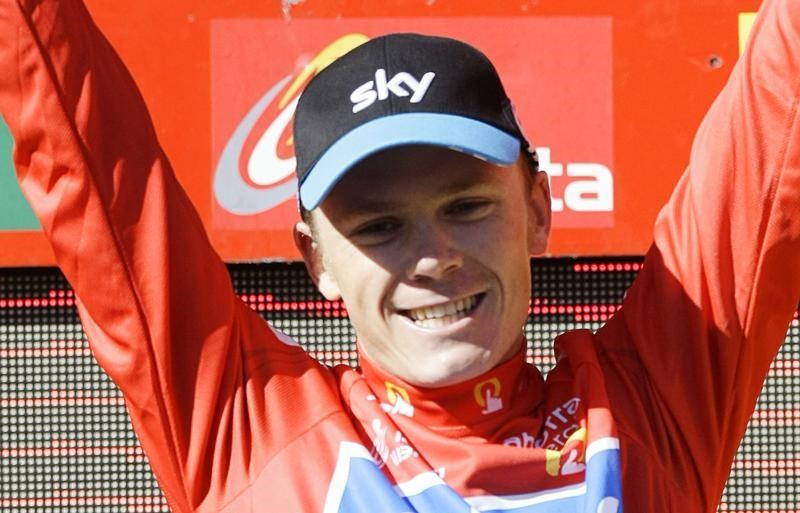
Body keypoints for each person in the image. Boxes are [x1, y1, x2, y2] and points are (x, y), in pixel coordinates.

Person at [1, 0, 798, 512]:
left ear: (539, 209)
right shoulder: (242, 428)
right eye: (379, 227)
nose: (434, 255)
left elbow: (778, 115)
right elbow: (83, 149)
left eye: (468, 206)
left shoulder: (651, 406)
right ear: (316, 260)